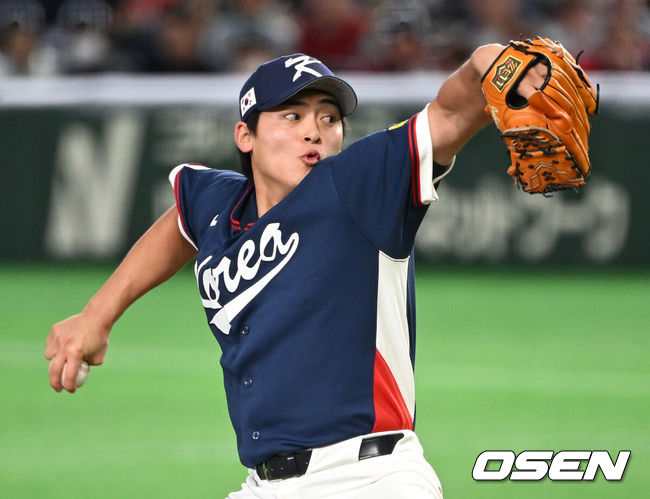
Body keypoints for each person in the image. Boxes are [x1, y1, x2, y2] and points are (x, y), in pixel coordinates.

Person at [45, 47, 547, 497]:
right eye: (292, 115)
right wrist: (98, 314)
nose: (315, 130)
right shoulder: (220, 205)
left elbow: (453, 112)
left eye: (329, 117)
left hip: (370, 478)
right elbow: (180, 222)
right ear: (245, 135)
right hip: (265, 485)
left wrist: (490, 59)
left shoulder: (358, 186)